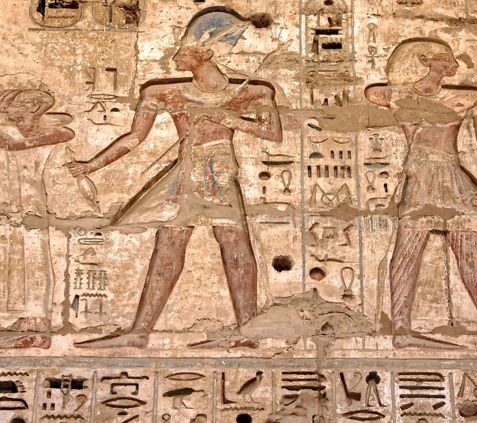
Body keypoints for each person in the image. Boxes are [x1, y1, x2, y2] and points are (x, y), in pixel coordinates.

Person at [66, 8, 281, 348]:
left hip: (220, 171)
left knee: (234, 243)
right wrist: (92, 165)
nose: (175, 57)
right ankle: (140, 332)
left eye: (183, 50)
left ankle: (247, 331)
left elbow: (273, 135)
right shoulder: (162, 93)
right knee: (169, 243)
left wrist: (229, 118)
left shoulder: (254, 92)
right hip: (187, 172)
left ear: (205, 53)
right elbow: (134, 138)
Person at [365, 37, 477, 348]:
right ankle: (402, 331)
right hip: (419, 178)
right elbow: (373, 93)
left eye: (452, 60)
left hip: (452, 178)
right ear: (424, 60)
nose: (454, 65)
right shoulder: (406, 97)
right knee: (406, 253)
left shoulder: (471, 100)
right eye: (445, 59)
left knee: (469, 255)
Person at [0, 88, 74, 348]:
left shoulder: (55, 133)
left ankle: (36, 326)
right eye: (12, 115)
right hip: (8, 206)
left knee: (33, 262)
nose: (16, 120)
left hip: (30, 209)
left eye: (21, 114)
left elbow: (15, 144)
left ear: (35, 110)